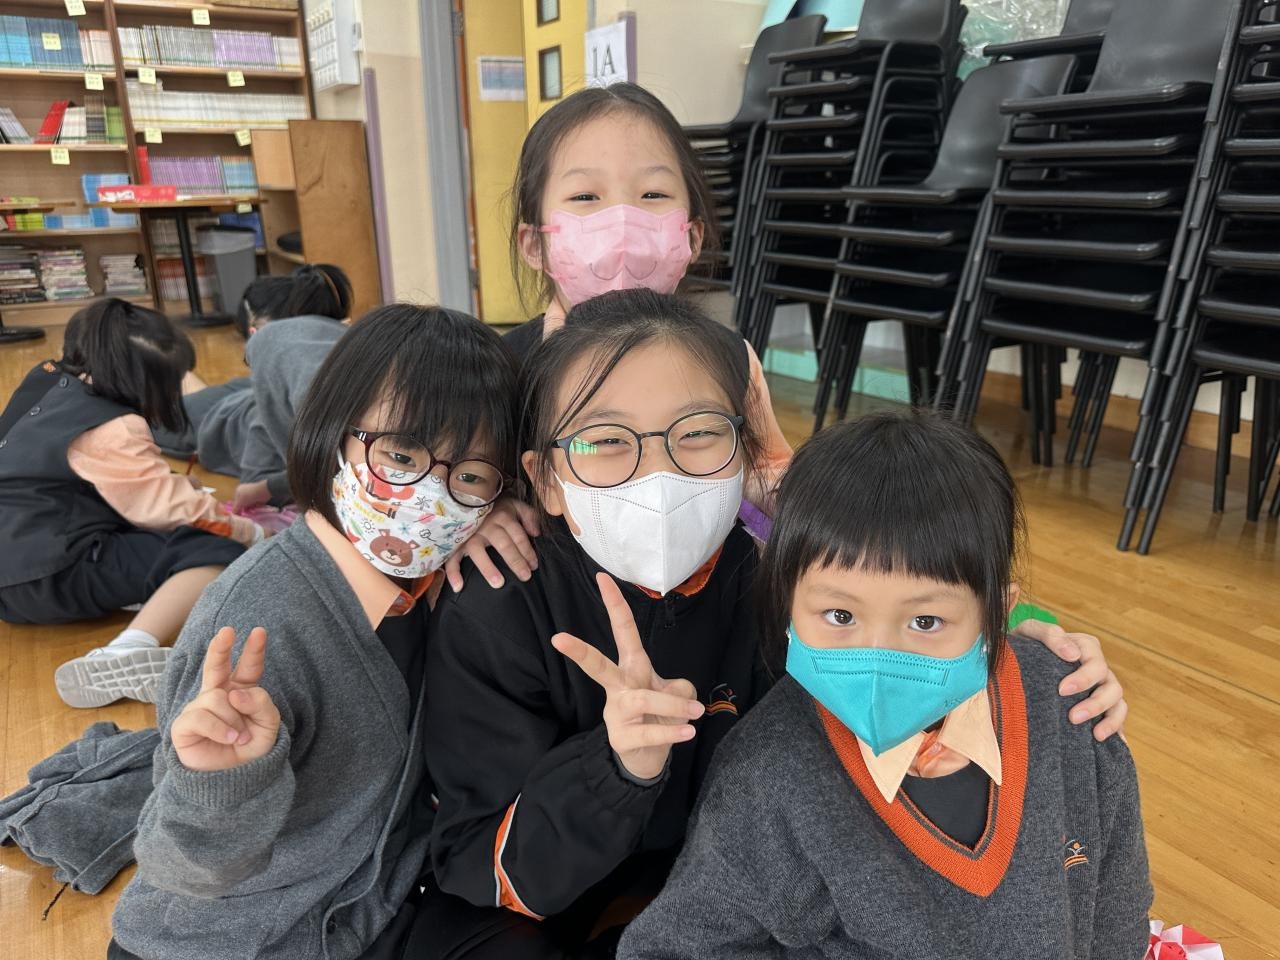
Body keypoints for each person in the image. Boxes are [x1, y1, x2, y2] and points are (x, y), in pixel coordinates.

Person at [415, 289, 1128, 960]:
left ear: (745, 451)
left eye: (698, 432)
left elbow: (912, 580)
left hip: (741, 887)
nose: (656, 474)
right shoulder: (499, 606)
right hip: (549, 903)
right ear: (545, 479)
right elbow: (478, 864)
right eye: (605, 441)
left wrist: (1024, 643)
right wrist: (618, 768)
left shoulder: (774, 580)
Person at [618, 411, 1152, 960]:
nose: (877, 657)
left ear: (998, 613)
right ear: (786, 602)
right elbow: (674, 948)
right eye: (840, 616)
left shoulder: (1073, 706)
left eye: (925, 621)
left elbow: (1119, 916)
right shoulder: (767, 773)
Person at [109, 303, 519, 960]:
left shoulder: (427, 581)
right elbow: (185, 867)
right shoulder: (258, 623)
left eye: (468, 476)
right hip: (234, 940)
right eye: (401, 454)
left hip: (367, 901)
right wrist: (220, 785)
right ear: (332, 432)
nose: (430, 497)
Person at [442, 81, 792, 595]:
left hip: (702, 604)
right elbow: (448, 483)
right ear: (533, 244)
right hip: (548, 608)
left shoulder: (732, 359)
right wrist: (473, 518)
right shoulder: (498, 370)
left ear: (692, 236)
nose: (623, 221)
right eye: (585, 197)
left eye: (653, 195)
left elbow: (768, 475)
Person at [0, 298, 262, 708]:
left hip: (13, 576)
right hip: (49, 576)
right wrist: (254, 534)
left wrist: (173, 485)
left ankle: (137, 595)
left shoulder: (46, 378)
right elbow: (178, 511)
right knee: (217, 549)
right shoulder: (115, 426)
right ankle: (128, 649)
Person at [154, 263, 354, 511]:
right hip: (229, 410)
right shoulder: (331, 351)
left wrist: (268, 489)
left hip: (233, 410)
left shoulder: (289, 399)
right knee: (161, 406)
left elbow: (260, 487)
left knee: (180, 397)